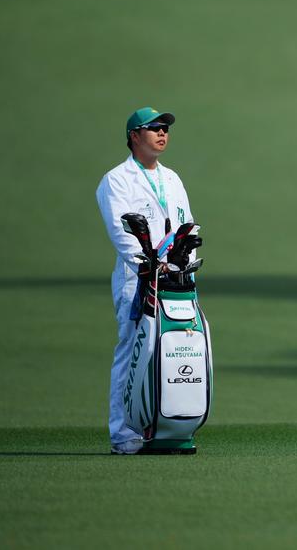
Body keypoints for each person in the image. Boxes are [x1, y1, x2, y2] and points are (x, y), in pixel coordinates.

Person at [96, 107, 194, 455]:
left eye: (165, 127)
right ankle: (123, 434)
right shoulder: (116, 180)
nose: (162, 133)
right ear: (134, 136)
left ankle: (164, 428)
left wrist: (186, 263)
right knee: (135, 351)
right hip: (137, 280)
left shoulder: (173, 179)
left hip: (175, 281)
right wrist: (148, 265)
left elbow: (187, 226)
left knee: (171, 352)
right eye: (153, 128)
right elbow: (122, 233)